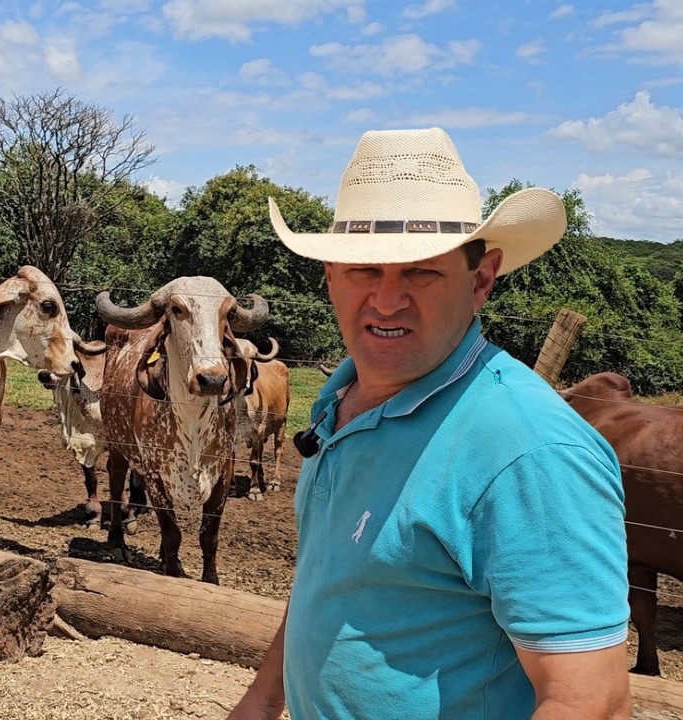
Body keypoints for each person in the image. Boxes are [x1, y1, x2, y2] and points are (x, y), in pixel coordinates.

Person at [228, 127, 630, 719]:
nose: (387, 301)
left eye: (422, 272)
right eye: (365, 270)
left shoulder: (529, 449)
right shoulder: (341, 400)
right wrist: (262, 702)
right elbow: (334, 579)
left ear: (482, 279)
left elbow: (589, 702)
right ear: (329, 275)